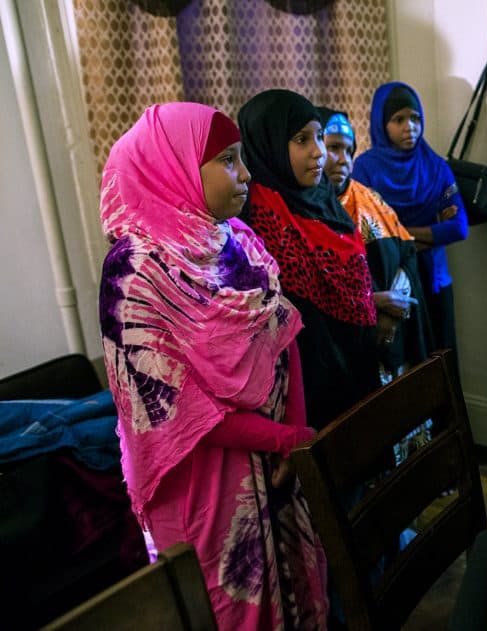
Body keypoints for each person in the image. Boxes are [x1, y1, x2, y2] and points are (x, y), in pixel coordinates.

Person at [99, 102, 329, 629]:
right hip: (205, 481)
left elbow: (282, 331)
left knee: (293, 590)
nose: (245, 174)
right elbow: (175, 409)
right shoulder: (134, 273)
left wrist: (292, 431)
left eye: (243, 158)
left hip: (275, 458)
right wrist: (280, 439)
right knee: (229, 609)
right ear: (172, 166)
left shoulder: (235, 240)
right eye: (228, 160)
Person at [238, 89, 381, 429]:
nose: (319, 152)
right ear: (268, 142)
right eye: (302, 139)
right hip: (303, 383)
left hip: (355, 363)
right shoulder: (252, 215)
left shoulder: (326, 200)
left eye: (318, 136)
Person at [318, 107, 434, 384]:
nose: (343, 160)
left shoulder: (370, 199)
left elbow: (406, 252)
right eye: (333, 148)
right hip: (345, 351)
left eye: (349, 150)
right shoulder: (307, 210)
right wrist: (374, 307)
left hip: (394, 337)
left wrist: (394, 310)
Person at [352, 82, 469, 354]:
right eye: (399, 119)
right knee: (403, 367)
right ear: (382, 123)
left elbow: (459, 228)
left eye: (415, 118)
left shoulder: (436, 166)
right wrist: (427, 235)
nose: (410, 127)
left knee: (441, 356)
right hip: (391, 285)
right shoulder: (365, 169)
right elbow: (365, 235)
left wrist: (399, 236)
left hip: (434, 281)